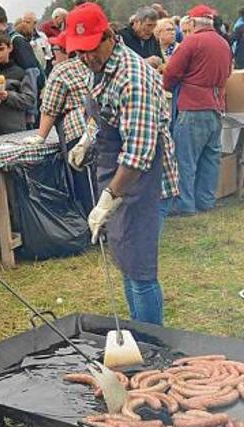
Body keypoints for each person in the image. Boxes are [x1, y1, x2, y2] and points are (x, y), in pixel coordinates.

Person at [64, 2, 179, 326]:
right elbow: (101, 112)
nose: (86, 58)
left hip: (144, 181)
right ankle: (137, 333)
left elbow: (140, 153)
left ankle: (151, 341)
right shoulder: (97, 69)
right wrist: (87, 139)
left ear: (109, 36)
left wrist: (107, 199)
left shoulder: (133, 78)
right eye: (79, 52)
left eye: (90, 50)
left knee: (140, 271)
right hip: (117, 175)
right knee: (125, 263)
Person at [164, 5, 231, 216]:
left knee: (185, 159)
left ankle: (185, 203)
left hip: (192, 107)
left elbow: (171, 74)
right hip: (215, 105)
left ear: (193, 23)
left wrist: (169, 84)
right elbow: (228, 72)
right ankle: (206, 200)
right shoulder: (223, 43)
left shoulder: (191, 42)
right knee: (210, 158)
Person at [22, 33, 93, 213]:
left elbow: (50, 108)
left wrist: (40, 136)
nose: (52, 54)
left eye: (55, 49)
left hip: (77, 130)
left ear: (66, 51)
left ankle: (96, 229)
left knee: (85, 183)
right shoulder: (93, 64)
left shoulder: (61, 70)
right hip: (100, 126)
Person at [0, 32, 36, 135]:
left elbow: (30, 100)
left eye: (1, 49)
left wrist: (7, 96)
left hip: (13, 128)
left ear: (10, 48)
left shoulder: (20, 73)